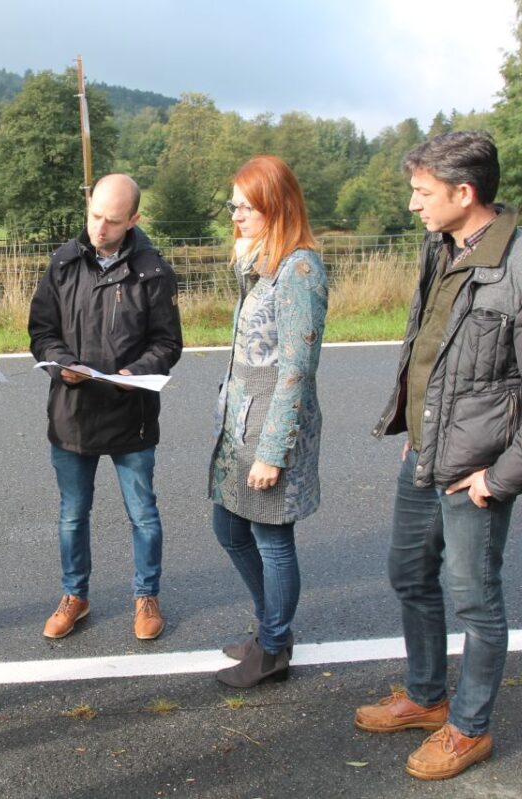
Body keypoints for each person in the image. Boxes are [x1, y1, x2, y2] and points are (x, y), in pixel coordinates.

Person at [354, 131, 522, 780]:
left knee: (475, 599)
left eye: (422, 192)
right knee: (408, 574)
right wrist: (413, 421)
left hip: (474, 474)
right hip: (423, 453)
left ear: (465, 193)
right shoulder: (443, 246)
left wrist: (500, 477)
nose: (413, 204)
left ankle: (471, 726)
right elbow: (433, 349)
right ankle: (428, 696)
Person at [28, 173, 183, 641]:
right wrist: (60, 365)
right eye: (96, 216)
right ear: (88, 205)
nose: (100, 228)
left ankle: (146, 595)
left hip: (130, 411)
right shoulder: (62, 262)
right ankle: (75, 595)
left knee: (143, 514)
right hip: (71, 409)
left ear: (133, 219)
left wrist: (135, 374)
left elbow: (168, 342)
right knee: (73, 514)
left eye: (113, 221)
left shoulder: (153, 270)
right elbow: (41, 332)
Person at [208, 156, 328, 689]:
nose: (234, 214)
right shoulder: (265, 262)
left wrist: (273, 452)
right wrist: (244, 260)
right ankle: (270, 628)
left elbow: (296, 371)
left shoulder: (301, 271)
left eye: (243, 206)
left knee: (272, 539)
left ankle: (274, 646)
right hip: (241, 421)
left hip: (272, 426)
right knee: (229, 528)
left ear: (273, 206)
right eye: (233, 205)